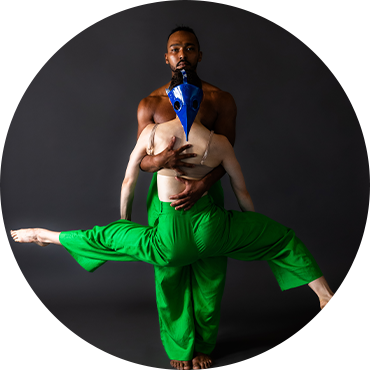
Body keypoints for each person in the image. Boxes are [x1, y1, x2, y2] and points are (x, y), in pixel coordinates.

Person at [11, 70, 362, 370]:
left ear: (173, 103)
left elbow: (129, 181)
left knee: (107, 239)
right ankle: (325, 295)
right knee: (281, 239)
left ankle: (47, 236)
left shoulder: (153, 133)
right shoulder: (219, 141)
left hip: (169, 237)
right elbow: (243, 193)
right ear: (201, 104)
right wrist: (250, 235)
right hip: (211, 226)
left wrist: (125, 224)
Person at [137, 26, 236, 369]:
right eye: (175, 49)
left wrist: (205, 185)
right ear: (166, 57)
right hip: (164, 196)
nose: (183, 54)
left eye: (189, 48)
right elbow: (141, 162)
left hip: (206, 191)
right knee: (169, 270)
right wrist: (160, 161)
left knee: (210, 269)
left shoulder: (219, 100)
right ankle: (181, 347)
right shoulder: (151, 104)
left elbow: (228, 156)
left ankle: (205, 344)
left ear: (199, 55)